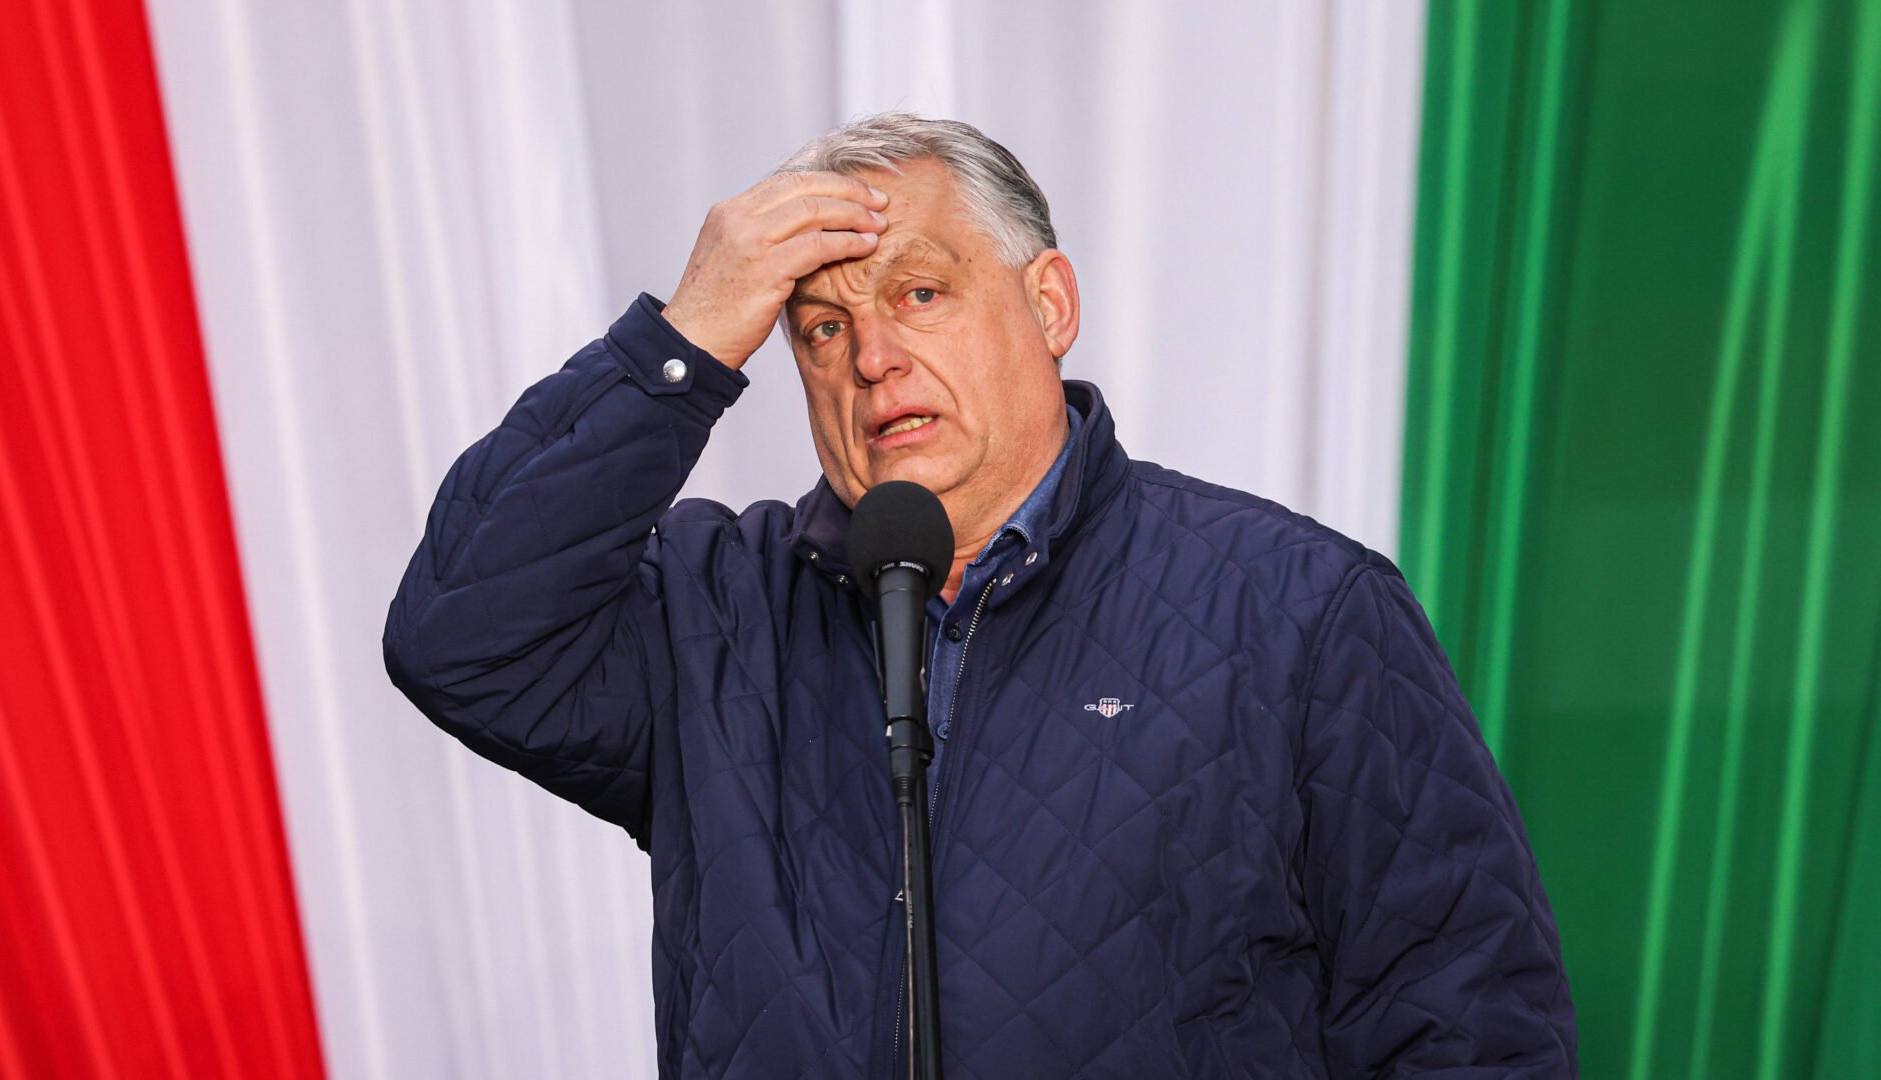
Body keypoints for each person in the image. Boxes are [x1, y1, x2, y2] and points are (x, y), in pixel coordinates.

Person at [384, 113, 1576, 1078]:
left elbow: (1471, 1028)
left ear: (1049, 304)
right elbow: (462, 639)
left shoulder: (1297, 610)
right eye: (820, 328)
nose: (872, 359)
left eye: (920, 294)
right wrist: (680, 344)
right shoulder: (715, 615)